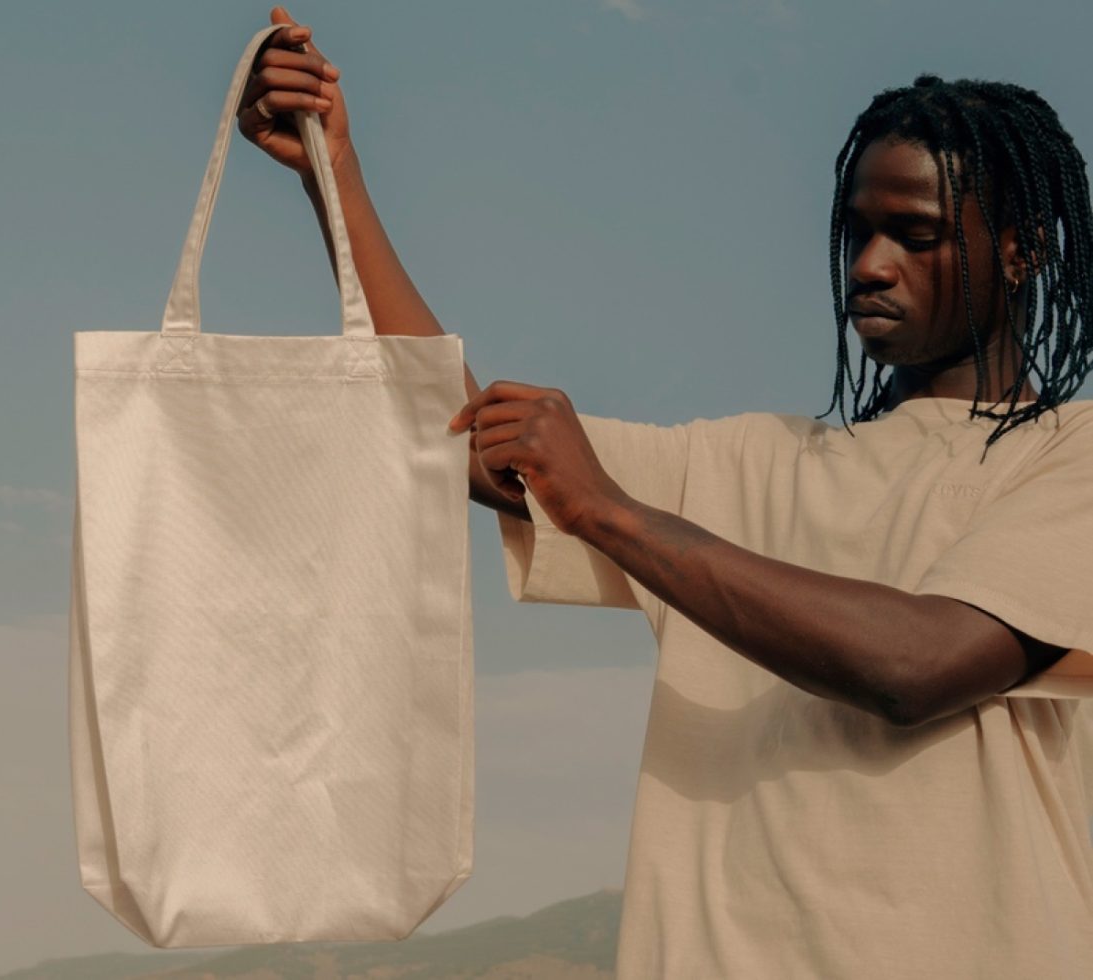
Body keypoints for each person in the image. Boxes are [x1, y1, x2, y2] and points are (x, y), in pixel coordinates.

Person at [239, 7, 1093, 976]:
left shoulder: (1071, 458)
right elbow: (461, 436)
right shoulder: (747, 461)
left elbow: (918, 663)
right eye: (854, 231)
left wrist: (611, 509)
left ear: (1019, 249)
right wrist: (333, 174)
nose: (867, 266)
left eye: (914, 234)